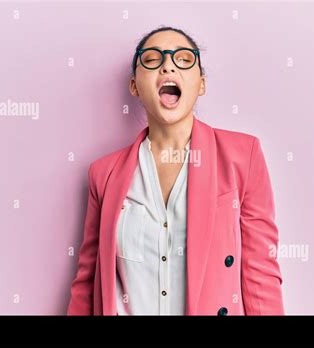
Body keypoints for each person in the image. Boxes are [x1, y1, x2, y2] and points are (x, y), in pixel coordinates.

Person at [67, 26, 285, 315]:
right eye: (152, 59)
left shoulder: (243, 156)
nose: (168, 64)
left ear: (201, 84)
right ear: (134, 86)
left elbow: (261, 274)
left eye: (183, 59)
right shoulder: (103, 174)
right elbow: (87, 283)